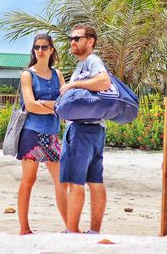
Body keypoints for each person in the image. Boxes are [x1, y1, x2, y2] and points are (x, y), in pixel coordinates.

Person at [59, 24, 111, 234]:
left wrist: (72, 86)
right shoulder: (84, 64)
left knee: (76, 182)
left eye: (77, 38)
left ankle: (72, 232)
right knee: (95, 181)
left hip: (81, 130)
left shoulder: (92, 61)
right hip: (96, 129)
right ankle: (94, 231)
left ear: (90, 41)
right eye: (71, 38)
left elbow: (104, 81)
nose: (73, 42)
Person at [16, 34, 67, 235]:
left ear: (51, 50)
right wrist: (53, 107)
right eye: (37, 47)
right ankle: (24, 228)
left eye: (44, 47)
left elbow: (64, 105)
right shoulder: (27, 75)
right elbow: (29, 105)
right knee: (29, 180)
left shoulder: (58, 75)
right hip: (32, 135)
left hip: (52, 135)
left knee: (62, 181)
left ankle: (71, 227)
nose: (40, 51)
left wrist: (44, 105)